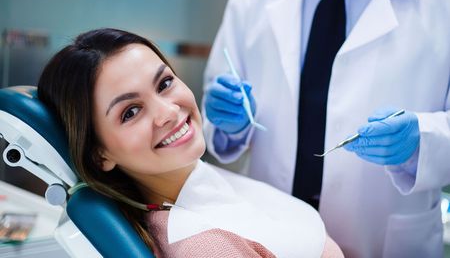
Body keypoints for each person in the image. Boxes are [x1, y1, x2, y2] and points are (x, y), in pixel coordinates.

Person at [37, 28, 343, 257]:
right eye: (130, 112)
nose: (168, 112)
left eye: (165, 83)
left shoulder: (198, 181)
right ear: (99, 155)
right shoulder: (204, 246)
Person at [202, 0, 450, 257]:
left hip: (383, 237)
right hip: (269, 222)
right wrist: (230, 123)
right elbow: (223, 83)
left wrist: (421, 141)